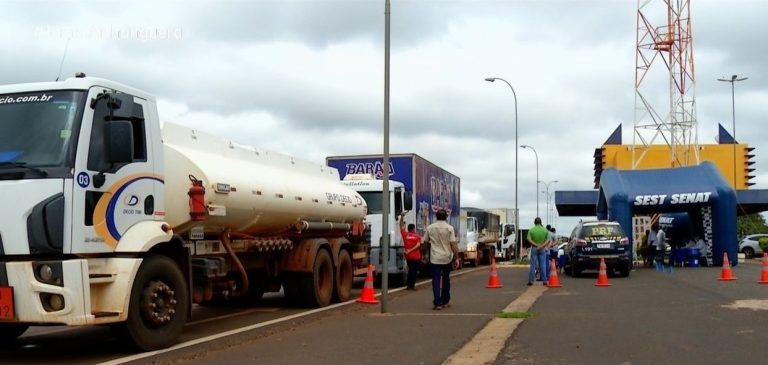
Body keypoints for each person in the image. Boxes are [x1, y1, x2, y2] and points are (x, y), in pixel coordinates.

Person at [423, 208, 458, 310]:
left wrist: (424, 254)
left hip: (435, 258)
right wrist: (456, 256)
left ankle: (437, 302)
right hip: (447, 257)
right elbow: (453, 244)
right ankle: (445, 300)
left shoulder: (430, 228)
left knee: (436, 280)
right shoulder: (450, 228)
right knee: (446, 279)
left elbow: (425, 243)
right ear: (446, 217)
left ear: (436, 216)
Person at [399, 213, 422, 290]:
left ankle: (408, 285)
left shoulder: (405, 235)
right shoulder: (417, 236)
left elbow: (401, 225)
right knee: (414, 271)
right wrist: (411, 250)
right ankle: (412, 285)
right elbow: (418, 245)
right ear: (414, 229)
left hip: (408, 257)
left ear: (408, 229)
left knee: (410, 270)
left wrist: (402, 217)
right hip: (416, 257)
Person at [527, 217, 549, 286]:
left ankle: (531, 281)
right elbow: (548, 240)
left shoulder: (531, 230)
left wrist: (536, 245)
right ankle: (544, 281)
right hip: (542, 249)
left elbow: (529, 239)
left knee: (533, 265)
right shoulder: (545, 230)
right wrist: (542, 246)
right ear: (540, 222)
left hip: (534, 248)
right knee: (543, 264)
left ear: (534, 222)